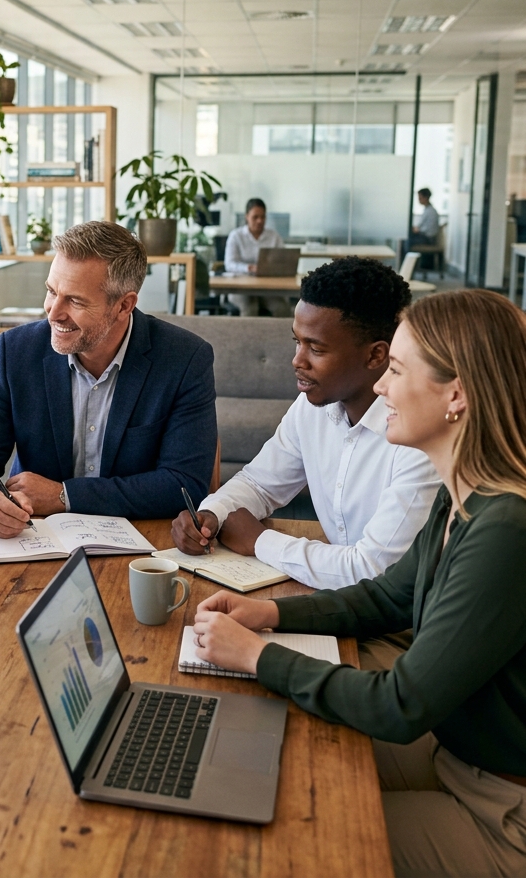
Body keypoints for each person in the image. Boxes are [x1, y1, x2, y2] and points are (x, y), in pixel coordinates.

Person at [190, 289, 526, 878]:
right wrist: (270, 616)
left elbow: (401, 705)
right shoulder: (465, 496)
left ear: (458, 394)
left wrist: (258, 656)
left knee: (293, 842)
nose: (381, 388)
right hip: (456, 757)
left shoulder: (506, 531)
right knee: (276, 761)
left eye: (396, 370)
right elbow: (387, 595)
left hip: (501, 813)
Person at [172, 257, 440, 590]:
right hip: (341, 600)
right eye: (297, 342)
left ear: (375, 356)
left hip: (401, 624)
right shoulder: (313, 406)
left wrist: (259, 540)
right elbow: (259, 483)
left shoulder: (418, 437)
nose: (297, 360)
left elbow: (373, 569)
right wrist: (212, 515)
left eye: (316, 348)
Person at [0, 220, 217, 537]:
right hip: (36, 536)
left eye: (74, 300)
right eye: (52, 291)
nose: (53, 312)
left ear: (124, 305)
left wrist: (65, 496)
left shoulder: (184, 359)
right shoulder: (16, 351)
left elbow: (183, 483)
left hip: (141, 540)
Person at [223, 197, 290, 317]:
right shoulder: (236, 236)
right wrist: (249, 268)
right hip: (241, 289)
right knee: (250, 309)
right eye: (255, 217)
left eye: (263, 217)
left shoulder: (274, 236)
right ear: (246, 216)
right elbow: (229, 264)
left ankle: (279, 336)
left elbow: (284, 261)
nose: (259, 221)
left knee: (282, 308)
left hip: (268, 289)